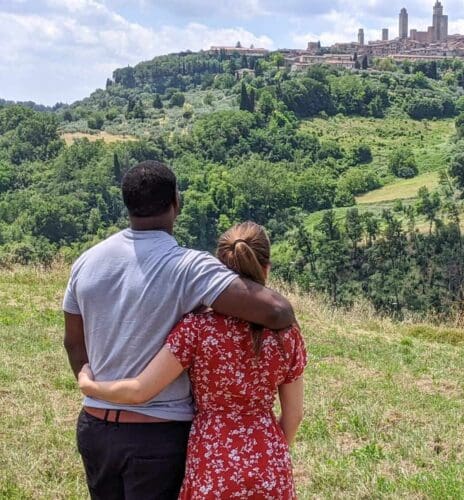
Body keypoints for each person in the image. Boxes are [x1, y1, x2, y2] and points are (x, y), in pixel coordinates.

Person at [63, 161, 296, 500]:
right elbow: (276, 311)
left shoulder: (86, 261)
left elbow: (72, 343)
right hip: (158, 434)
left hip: (95, 427)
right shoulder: (187, 266)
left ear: (126, 203)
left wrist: (94, 386)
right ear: (176, 201)